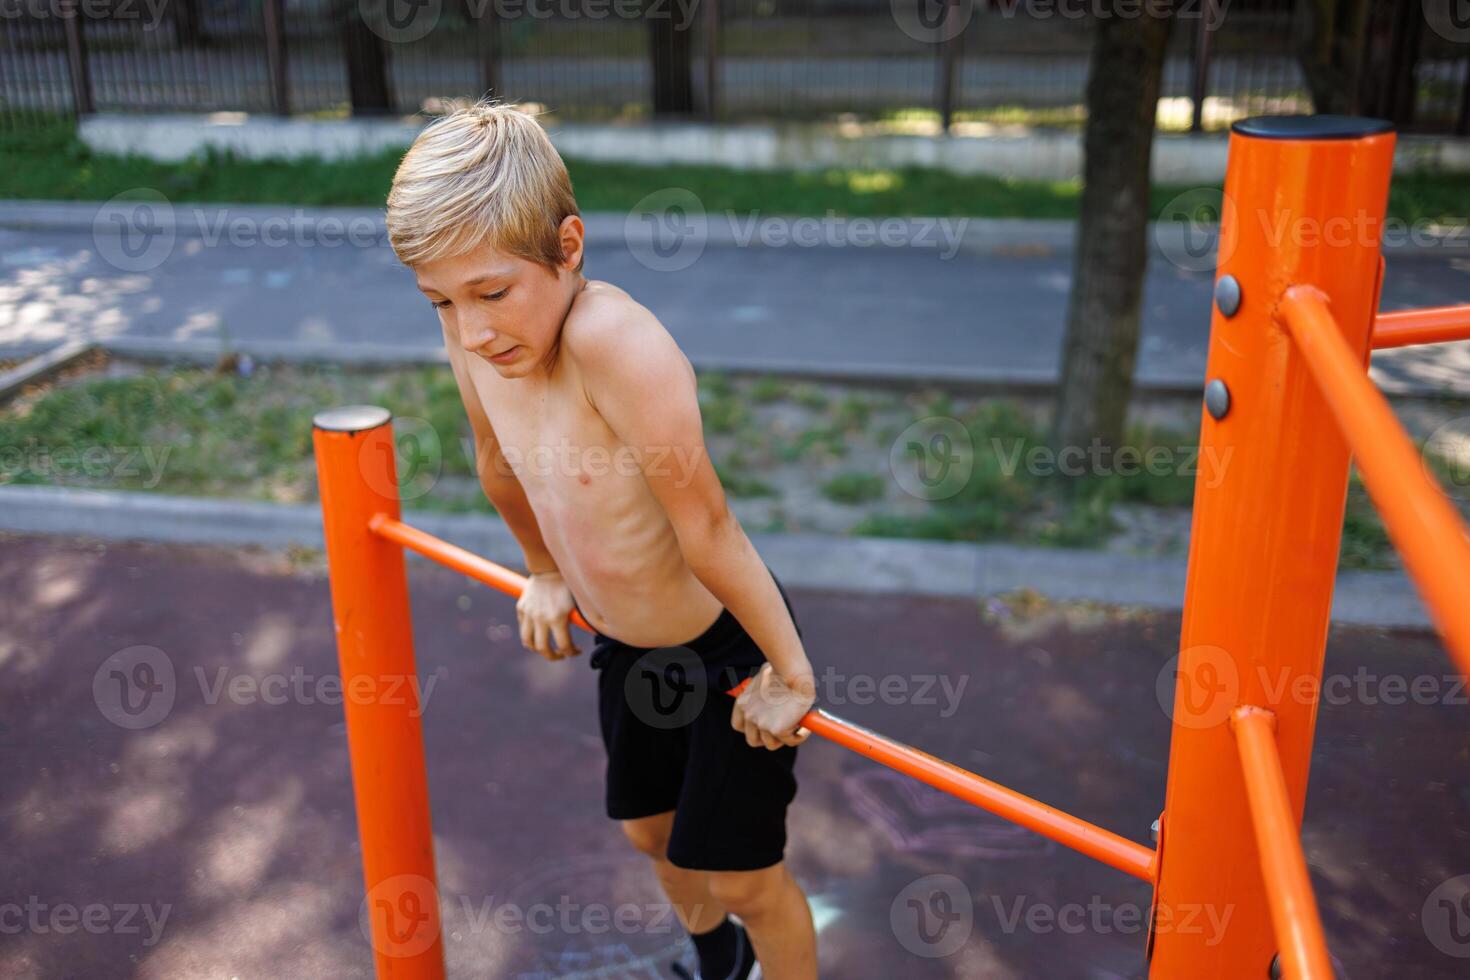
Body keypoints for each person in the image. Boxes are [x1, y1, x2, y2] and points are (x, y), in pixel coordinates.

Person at [385, 98, 819, 980]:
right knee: (650, 832)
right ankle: (718, 964)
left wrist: (793, 673)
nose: (471, 330)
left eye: (492, 293)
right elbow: (497, 461)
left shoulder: (616, 345)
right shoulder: (475, 329)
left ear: (569, 248)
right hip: (625, 640)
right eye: (443, 299)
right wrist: (542, 570)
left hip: (722, 641)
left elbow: (707, 525)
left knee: (743, 877)